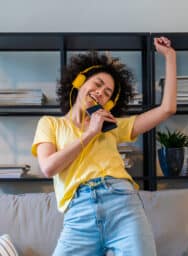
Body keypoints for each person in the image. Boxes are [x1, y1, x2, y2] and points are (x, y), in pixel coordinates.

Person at [31, 36, 176, 256]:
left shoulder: (112, 126)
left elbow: (167, 109)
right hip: (78, 213)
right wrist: (90, 133)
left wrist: (170, 57)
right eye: (98, 84)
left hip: (122, 204)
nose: (100, 92)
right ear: (79, 81)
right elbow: (49, 167)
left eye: (107, 93)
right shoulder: (50, 123)